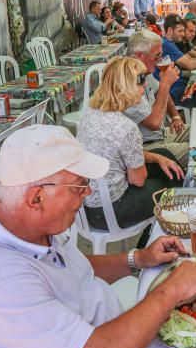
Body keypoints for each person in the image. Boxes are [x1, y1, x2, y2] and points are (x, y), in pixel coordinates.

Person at [0, 123, 196, 348]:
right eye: (79, 186)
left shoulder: (25, 226)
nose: (87, 194)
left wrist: (138, 258)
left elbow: (75, 268)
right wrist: (169, 291)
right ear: (36, 198)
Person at [77, 56, 184, 230]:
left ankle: (160, 234)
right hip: (111, 211)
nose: (145, 87)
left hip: (87, 205)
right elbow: (138, 180)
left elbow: (116, 153)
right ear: (126, 86)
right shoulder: (126, 127)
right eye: (141, 82)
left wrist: (156, 158)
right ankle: (171, 232)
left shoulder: (92, 112)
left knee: (165, 157)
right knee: (170, 182)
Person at [126, 30, 189, 167]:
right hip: (147, 147)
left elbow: (159, 92)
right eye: (157, 55)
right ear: (139, 55)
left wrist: (175, 116)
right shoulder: (127, 80)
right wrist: (166, 83)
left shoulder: (144, 71)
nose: (160, 60)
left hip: (161, 134)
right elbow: (153, 123)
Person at [157, 14, 196, 106]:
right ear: (170, 30)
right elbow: (190, 64)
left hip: (178, 85)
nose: (183, 34)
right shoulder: (167, 44)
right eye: (180, 31)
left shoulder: (169, 43)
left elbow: (189, 59)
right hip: (173, 91)